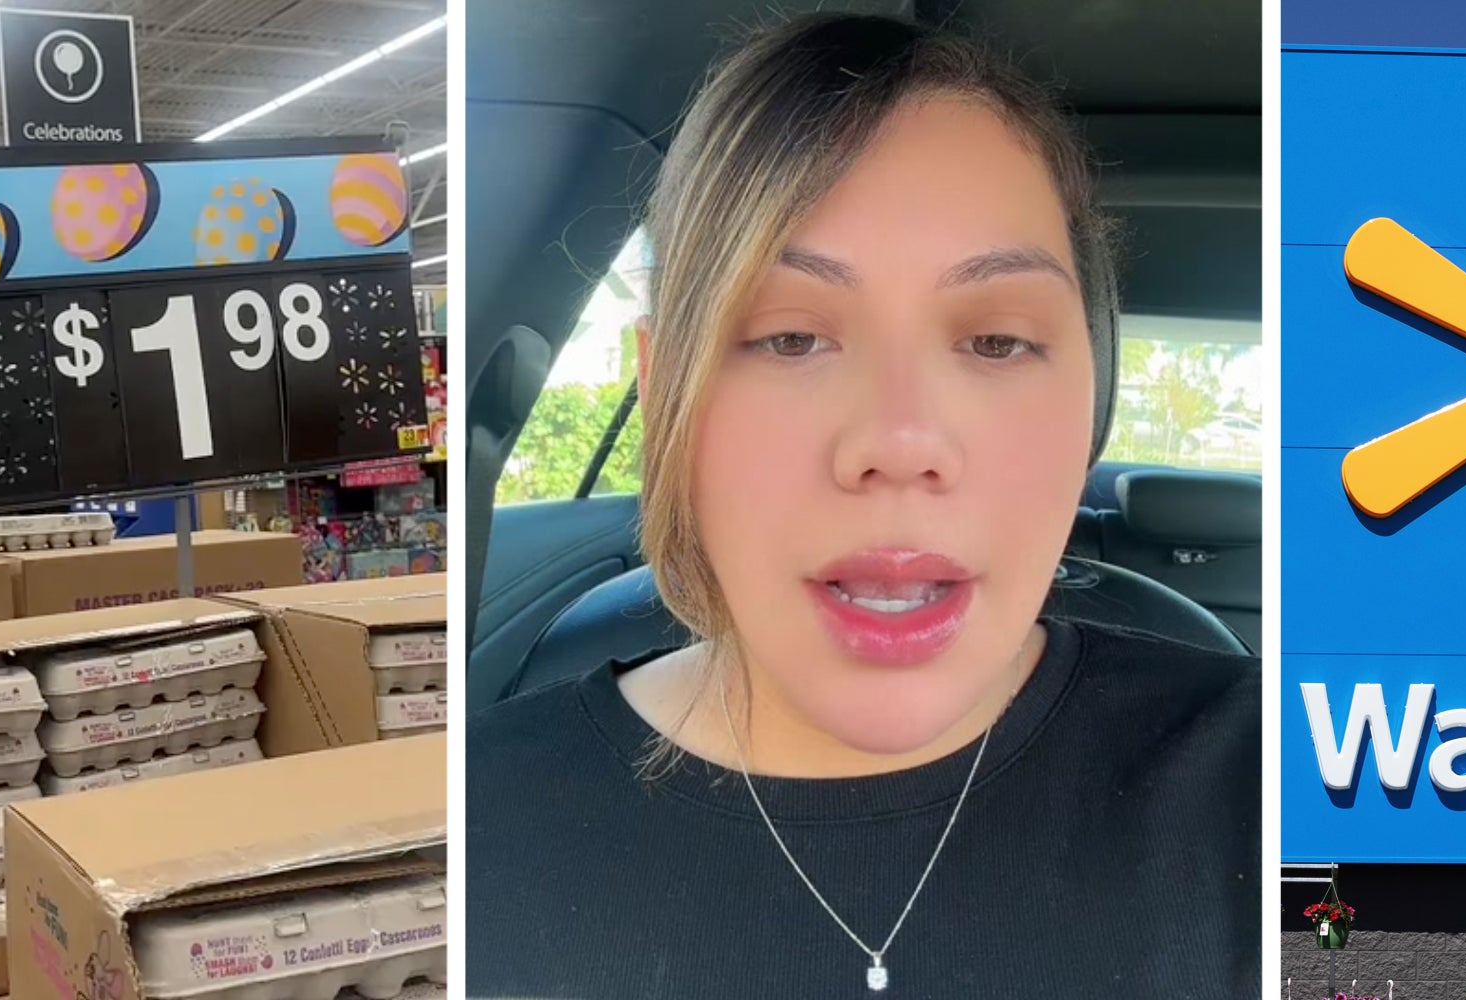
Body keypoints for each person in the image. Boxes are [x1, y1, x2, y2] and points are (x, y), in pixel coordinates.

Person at [468, 12, 1258, 999]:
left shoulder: (1283, 796)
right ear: (666, 389)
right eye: (791, 339)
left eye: (996, 341)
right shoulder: (466, 837)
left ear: (1091, 398)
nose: (897, 442)